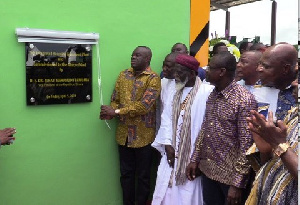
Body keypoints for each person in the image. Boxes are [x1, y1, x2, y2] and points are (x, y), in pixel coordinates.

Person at [186, 52, 257, 205]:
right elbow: (205, 128)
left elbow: (247, 145)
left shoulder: (244, 100)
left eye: (210, 68)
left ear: (222, 72)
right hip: (208, 171)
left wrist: (237, 184)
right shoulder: (213, 95)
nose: (206, 71)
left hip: (229, 178)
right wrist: (195, 159)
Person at [99, 46, 161, 205]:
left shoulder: (153, 78)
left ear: (147, 59)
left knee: (143, 176)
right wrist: (110, 110)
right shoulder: (123, 75)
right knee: (126, 174)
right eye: (133, 54)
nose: (133, 57)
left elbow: (143, 106)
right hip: (123, 135)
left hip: (144, 136)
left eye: (138, 55)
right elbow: (115, 97)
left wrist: (117, 111)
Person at [152, 54, 214, 205]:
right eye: (175, 73)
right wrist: (167, 143)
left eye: (179, 73)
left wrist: (198, 159)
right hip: (171, 154)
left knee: (188, 195)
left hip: (192, 156)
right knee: (165, 192)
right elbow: (166, 118)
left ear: (192, 74)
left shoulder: (207, 92)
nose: (176, 76)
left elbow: (209, 128)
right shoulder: (175, 90)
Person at [245, 89, 298, 204]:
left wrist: (278, 145)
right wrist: (266, 151)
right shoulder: (295, 114)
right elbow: (275, 164)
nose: (295, 83)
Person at [252, 43, 297, 121]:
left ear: (285, 69)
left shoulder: (296, 92)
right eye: (260, 64)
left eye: (266, 66)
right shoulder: (255, 88)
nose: (259, 69)